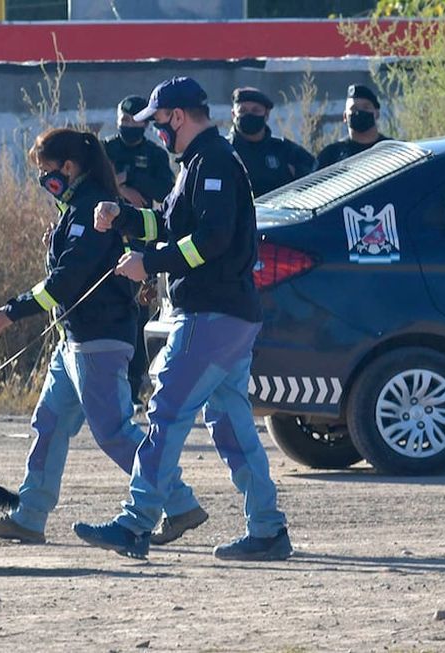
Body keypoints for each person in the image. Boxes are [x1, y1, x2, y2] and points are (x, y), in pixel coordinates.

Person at [72, 76, 292, 562]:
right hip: (227, 315)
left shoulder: (211, 162)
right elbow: (171, 226)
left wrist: (147, 264)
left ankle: (136, 523)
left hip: (212, 315)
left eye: (159, 123)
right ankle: (268, 529)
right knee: (231, 422)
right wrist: (125, 217)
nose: (155, 134)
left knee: (167, 412)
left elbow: (210, 241)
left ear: (176, 116)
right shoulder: (199, 163)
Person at [0, 127, 208, 546]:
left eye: (46, 170)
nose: (43, 178)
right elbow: (68, 265)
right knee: (49, 422)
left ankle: (179, 503)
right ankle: (29, 516)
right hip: (74, 339)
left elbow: (65, 282)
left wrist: (13, 312)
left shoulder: (89, 209)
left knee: (115, 432)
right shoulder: (75, 208)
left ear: (69, 167)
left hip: (99, 339)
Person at [102, 94, 176, 412]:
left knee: (139, 312)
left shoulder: (155, 155)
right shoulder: (105, 150)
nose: (129, 127)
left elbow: (165, 193)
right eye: (124, 121)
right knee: (110, 310)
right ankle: (109, 388)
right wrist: (120, 191)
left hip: (143, 240)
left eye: (135, 122)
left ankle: (134, 389)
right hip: (109, 240)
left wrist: (129, 180)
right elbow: (96, 187)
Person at [226, 86, 314, 197]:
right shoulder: (223, 152)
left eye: (255, 110)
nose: (249, 115)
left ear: (266, 114)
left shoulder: (286, 151)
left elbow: (317, 180)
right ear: (233, 114)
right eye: (242, 111)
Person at [315, 84, 391, 169]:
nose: (359, 112)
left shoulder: (394, 150)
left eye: (366, 107)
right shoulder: (331, 156)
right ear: (345, 117)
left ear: (377, 114)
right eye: (354, 109)